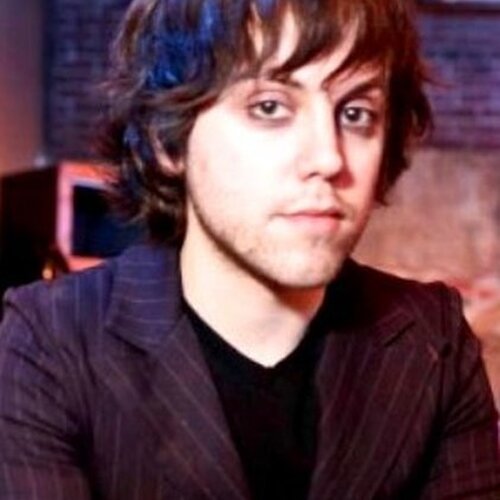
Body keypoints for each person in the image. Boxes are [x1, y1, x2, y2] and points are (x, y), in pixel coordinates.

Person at [0, 0, 499, 498]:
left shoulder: (434, 337)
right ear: (168, 141)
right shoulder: (49, 340)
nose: (329, 157)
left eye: (355, 113)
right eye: (270, 108)